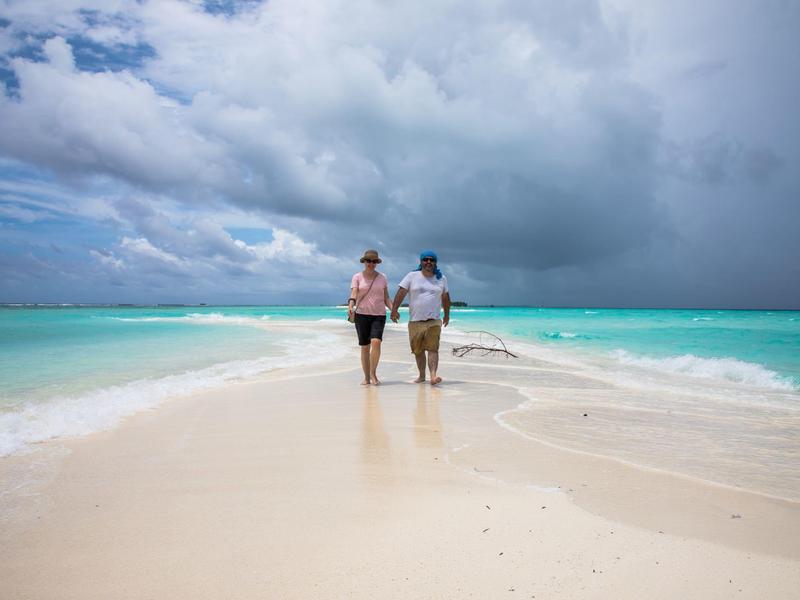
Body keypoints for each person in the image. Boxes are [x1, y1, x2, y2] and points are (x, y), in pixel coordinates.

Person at [390, 250, 451, 385]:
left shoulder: (442, 278)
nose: (428, 262)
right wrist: (394, 310)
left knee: (433, 348)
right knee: (418, 351)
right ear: (421, 262)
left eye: (431, 260)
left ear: (435, 263)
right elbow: (401, 292)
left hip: (434, 321)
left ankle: (433, 376)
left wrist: (447, 314)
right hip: (415, 321)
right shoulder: (412, 276)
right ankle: (422, 376)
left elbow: (445, 297)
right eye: (426, 259)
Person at [349, 249, 393, 385]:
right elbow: (354, 292)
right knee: (365, 347)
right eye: (368, 261)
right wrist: (351, 305)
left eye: (374, 261)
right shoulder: (357, 277)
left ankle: (373, 374)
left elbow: (386, 297)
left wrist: (393, 310)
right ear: (364, 262)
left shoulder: (382, 277)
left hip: (379, 315)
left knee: (376, 342)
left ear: (377, 263)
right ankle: (366, 377)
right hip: (361, 315)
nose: (371, 263)